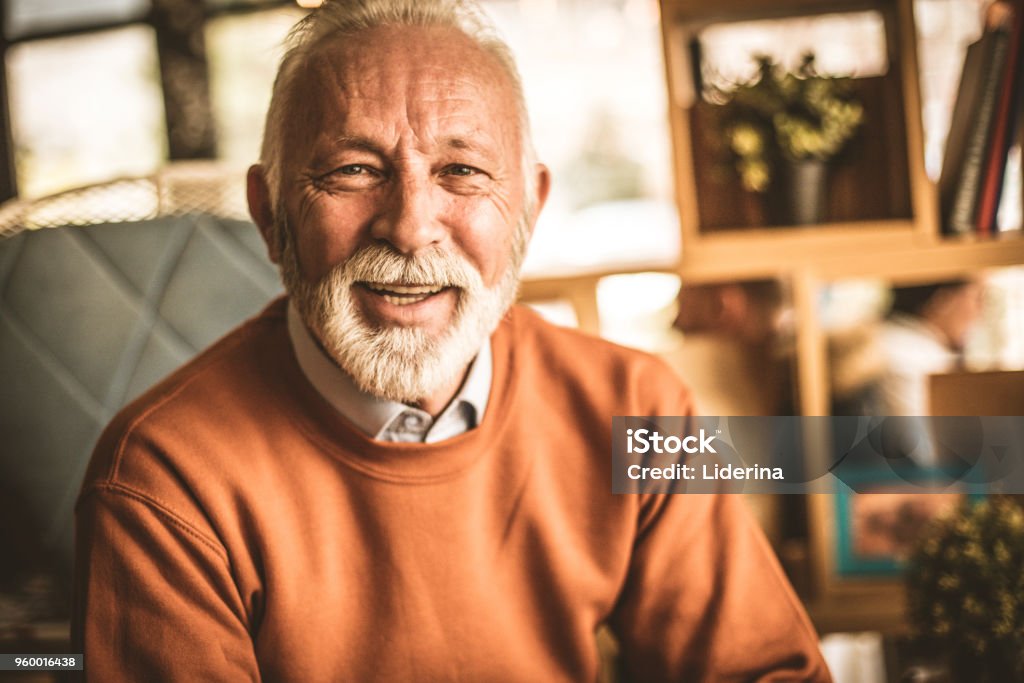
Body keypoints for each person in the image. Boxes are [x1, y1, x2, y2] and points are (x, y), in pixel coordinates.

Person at [72, 1, 831, 680]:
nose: (409, 226)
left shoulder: (642, 408)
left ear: (528, 209)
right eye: (352, 169)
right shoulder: (160, 479)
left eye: (462, 171)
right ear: (271, 216)